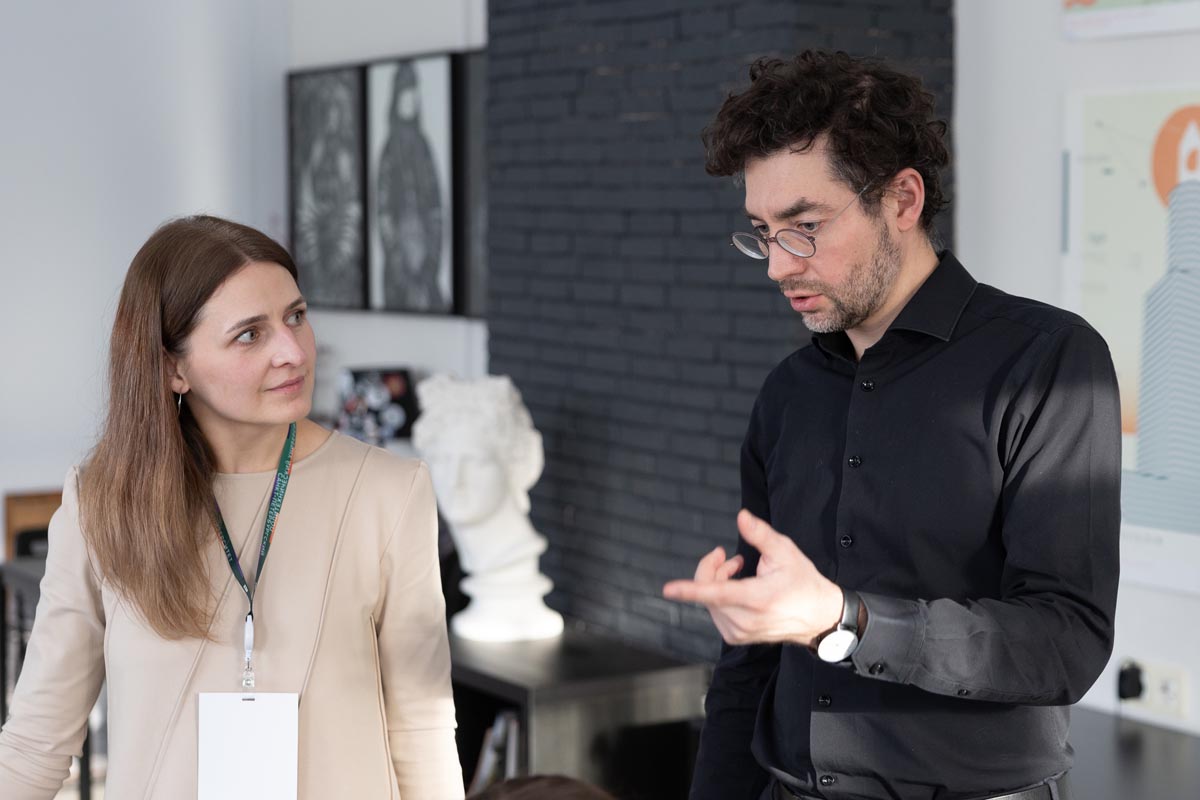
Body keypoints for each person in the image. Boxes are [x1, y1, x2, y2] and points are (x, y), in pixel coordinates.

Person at [662, 51, 1120, 800]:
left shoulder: (1049, 361)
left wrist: (846, 622)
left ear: (903, 200)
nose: (778, 266)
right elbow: (751, 663)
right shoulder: (788, 394)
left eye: (805, 226)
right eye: (763, 232)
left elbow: (1065, 641)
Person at [0, 215, 464, 798]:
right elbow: (35, 743)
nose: (293, 351)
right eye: (250, 334)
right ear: (174, 367)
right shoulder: (101, 503)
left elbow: (422, 731)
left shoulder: (389, 491)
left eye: (296, 316)